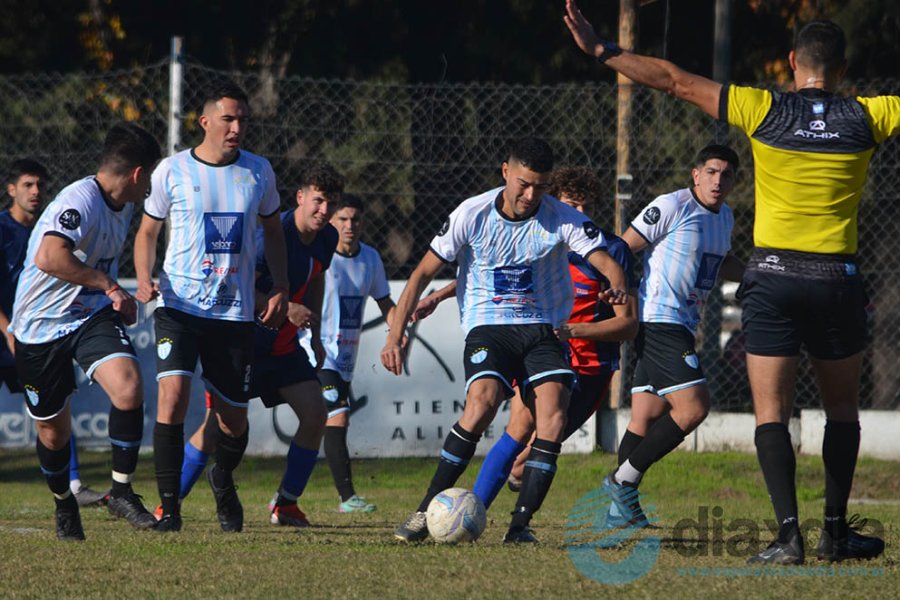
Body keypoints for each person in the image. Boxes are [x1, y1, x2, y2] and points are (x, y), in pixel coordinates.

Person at [565, 1, 895, 563]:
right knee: (842, 412)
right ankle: (834, 532)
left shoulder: (764, 107)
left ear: (792, 63)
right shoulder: (871, 115)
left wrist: (604, 51)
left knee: (773, 413)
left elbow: (673, 80)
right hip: (836, 279)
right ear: (842, 71)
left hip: (772, 280)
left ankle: (787, 536)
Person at [382, 137, 628, 544]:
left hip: (541, 329)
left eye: (541, 186)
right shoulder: (471, 213)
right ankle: (424, 512)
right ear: (506, 173)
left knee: (552, 417)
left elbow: (608, 263)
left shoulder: (561, 217)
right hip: (489, 326)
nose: (531, 195)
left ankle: (520, 526)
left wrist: (616, 286)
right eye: (524, 184)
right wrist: (396, 334)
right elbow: (421, 274)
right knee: (481, 404)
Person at [134, 80, 290, 533]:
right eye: (228, 118)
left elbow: (274, 232)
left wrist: (280, 285)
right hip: (178, 308)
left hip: (234, 314)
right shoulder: (172, 170)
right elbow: (147, 231)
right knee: (173, 397)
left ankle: (222, 477)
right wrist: (144, 277)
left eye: (242, 119)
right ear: (205, 122)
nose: (237, 127)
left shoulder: (258, 172)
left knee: (233, 421)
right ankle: (170, 510)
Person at [158, 164, 342, 528]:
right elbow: (240, 283)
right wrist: (285, 307)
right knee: (215, 430)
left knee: (317, 413)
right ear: (300, 197)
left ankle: (286, 504)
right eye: (318, 201)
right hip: (246, 343)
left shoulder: (328, 238)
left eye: (330, 204)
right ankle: (169, 504)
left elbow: (317, 277)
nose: (324, 211)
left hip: (285, 350)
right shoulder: (272, 236)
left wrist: (316, 334)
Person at [11, 123, 162, 541]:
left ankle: (122, 492)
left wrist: (116, 297)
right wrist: (108, 285)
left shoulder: (124, 204)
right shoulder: (80, 201)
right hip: (40, 327)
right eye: (148, 175)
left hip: (88, 316)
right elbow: (48, 256)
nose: (149, 185)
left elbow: (103, 263)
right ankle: (64, 504)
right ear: (136, 174)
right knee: (53, 432)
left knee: (129, 388)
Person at [604, 144, 742, 531]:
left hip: (682, 323)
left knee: (645, 417)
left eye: (727, 174)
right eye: (711, 172)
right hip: (657, 319)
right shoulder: (673, 205)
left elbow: (721, 261)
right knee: (693, 408)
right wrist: (620, 293)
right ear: (696, 174)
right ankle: (622, 480)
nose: (718, 180)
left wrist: (753, 275)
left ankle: (619, 512)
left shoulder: (725, 216)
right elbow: (621, 247)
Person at [0, 159, 110, 508]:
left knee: (55, 408)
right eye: (28, 185)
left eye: (40, 186)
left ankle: (73, 485)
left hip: (36, 332)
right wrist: (8, 332)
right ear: (11, 190)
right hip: (9, 331)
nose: (36, 192)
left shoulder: (56, 230)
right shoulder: (2, 230)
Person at [300, 193, 397, 513]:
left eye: (355, 219)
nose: (349, 225)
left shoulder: (370, 258)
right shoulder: (322, 256)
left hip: (345, 359)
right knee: (337, 418)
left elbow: (385, 303)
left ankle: (285, 495)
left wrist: (396, 335)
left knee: (316, 426)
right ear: (331, 221)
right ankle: (347, 498)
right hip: (316, 351)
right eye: (342, 219)